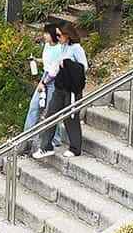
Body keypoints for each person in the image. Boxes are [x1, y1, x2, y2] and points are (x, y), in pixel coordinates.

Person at [33, 23, 87, 159]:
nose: (57, 38)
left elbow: (83, 67)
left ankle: (75, 147)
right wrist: (44, 82)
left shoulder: (76, 48)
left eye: (59, 35)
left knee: (71, 117)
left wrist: (68, 64)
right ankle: (46, 146)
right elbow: (55, 68)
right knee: (51, 114)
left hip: (72, 89)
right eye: (56, 35)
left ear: (67, 35)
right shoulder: (62, 47)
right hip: (59, 87)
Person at [23, 24, 66, 152]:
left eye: (46, 33)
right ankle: (28, 135)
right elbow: (47, 62)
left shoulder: (60, 49)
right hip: (45, 77)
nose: (44, 36)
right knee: (34, 105)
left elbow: (54, 70)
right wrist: (36, 60)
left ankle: (56, 138)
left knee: (51, 109)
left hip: (54, 80)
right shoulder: (47, 46)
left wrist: (44, 83)